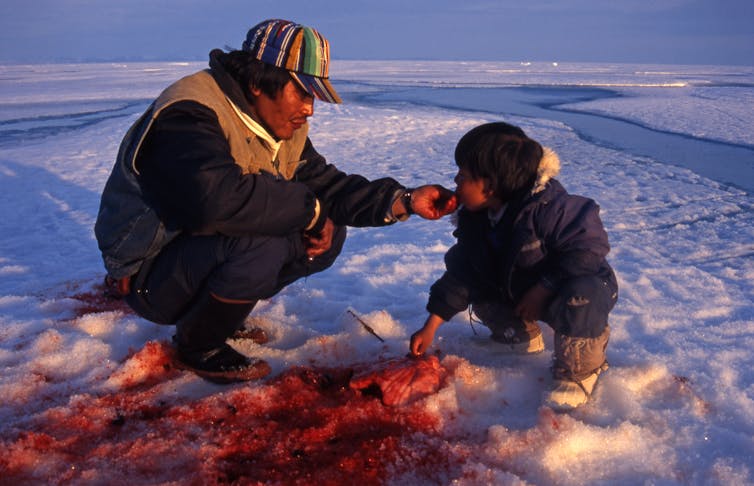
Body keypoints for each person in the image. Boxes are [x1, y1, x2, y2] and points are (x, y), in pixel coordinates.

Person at [94, 19, 456, 383]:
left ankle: (217, 316)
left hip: (193, 258)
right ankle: (197, 344)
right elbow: (214, 203)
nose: (310, 110)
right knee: (260, 240)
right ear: (257, 82)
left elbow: (324, 185)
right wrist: (308, 210)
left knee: (327, 230)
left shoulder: (278, 126)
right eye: (302, 93)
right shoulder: (190, 113)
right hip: (150, 274)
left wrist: (404, 201)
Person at [409, 122, 618, 410]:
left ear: (491, 186)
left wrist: (544, 287)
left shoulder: (550, 209)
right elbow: (461, 275)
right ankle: (517, 335)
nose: (455, 180)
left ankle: (579, 370)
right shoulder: (478, 219)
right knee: (479, 276)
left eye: (464, 175)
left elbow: (588, 250)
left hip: (569, 291)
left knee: (583, 293)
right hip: (521, 287)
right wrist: (431, 325)